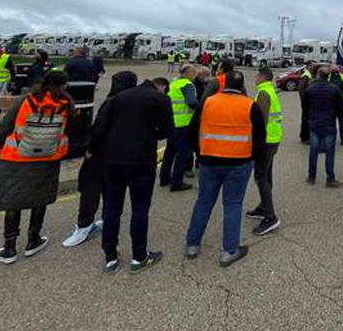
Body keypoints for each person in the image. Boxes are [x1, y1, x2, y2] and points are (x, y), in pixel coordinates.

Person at [0, 70, 74, 264]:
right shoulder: (67, 104)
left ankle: (9, 247)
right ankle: (33, 239)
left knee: (12, 199)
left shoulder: (27, 100)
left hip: (17, 156)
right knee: (39, 197)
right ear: (64, 85)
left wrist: (0, 148)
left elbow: (3, 128)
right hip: (48, 157)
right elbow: (70, 130)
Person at [92, 77, 173, 274]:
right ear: (161, 87)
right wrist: (147, 134)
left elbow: (101, 125)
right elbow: (166, 130)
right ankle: (139, 256)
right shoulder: (159, 98)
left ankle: (110, 256)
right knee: (140, 209)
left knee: (111, 208)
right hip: (141, 159)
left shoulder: (119, 96)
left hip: (113, 159)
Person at [185, 71, 266, 266]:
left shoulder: (209, 102)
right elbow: (260, 138)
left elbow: (192, 130)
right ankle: (229, 250)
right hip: (239, 163)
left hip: (209, 162)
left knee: (204, 202)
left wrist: (200, 153)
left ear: (223, 84)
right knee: (232, 204)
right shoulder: (250, 105)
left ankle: (192, 245)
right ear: (241, 86)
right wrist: (253, 159)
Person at [63, 71, 138, 248]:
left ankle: (84, 225)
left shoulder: (112, 101)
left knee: (91, 187)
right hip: (120, 152)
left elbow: (100, 127)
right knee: (110, 186)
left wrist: (91, 148)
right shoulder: (133, 101)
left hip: (102, 152)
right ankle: (105, 218)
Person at [245, 68, 282, 235]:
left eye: (256, 75)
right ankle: (263, 207)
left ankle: (270, 217)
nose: (254, 78)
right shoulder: (269, 90)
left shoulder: (263, 93)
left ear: (262, 77)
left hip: (266, 141)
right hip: (273, 138)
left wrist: (255, 144)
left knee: (261, 177)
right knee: (267, 175)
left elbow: (260, 121)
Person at [303, 65, 343, 187]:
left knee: (313, 150)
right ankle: (330, 178)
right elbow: (341, 107)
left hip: (314, 123)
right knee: (330, 151)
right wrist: (334, 115)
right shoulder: (334, 89)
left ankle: (311, 176)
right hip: (329, 123)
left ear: (318, 75)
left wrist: (310, 116)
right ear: (328, 76)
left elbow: (304, 106)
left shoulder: (310, 89)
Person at [159, 64, 198, 192]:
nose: (194, 75)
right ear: (188, 72)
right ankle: (177, 182)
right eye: (193, 72)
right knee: (183, 154)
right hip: (183, 124)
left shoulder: (174, 84)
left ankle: (164, 178)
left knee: (169, 152)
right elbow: (191, 102)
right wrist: (200, 108)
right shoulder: (187, 85)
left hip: (172, 123)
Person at [298, 60, 317, 143]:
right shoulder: (306, 76)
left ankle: (306, 136)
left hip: (308, 102)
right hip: (306, 103)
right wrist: (304, 102)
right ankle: (304, 137)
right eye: (313, 65)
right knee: (305, 120)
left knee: (307, 119)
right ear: (309, 66)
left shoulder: (310, 75)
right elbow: (301, 90)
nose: (314, 67)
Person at [329, 65, 343, 145]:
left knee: (332, 122)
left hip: (331, 104)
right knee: (342, 122)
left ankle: (333, 137)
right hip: (342, 103)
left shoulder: (328, 78)